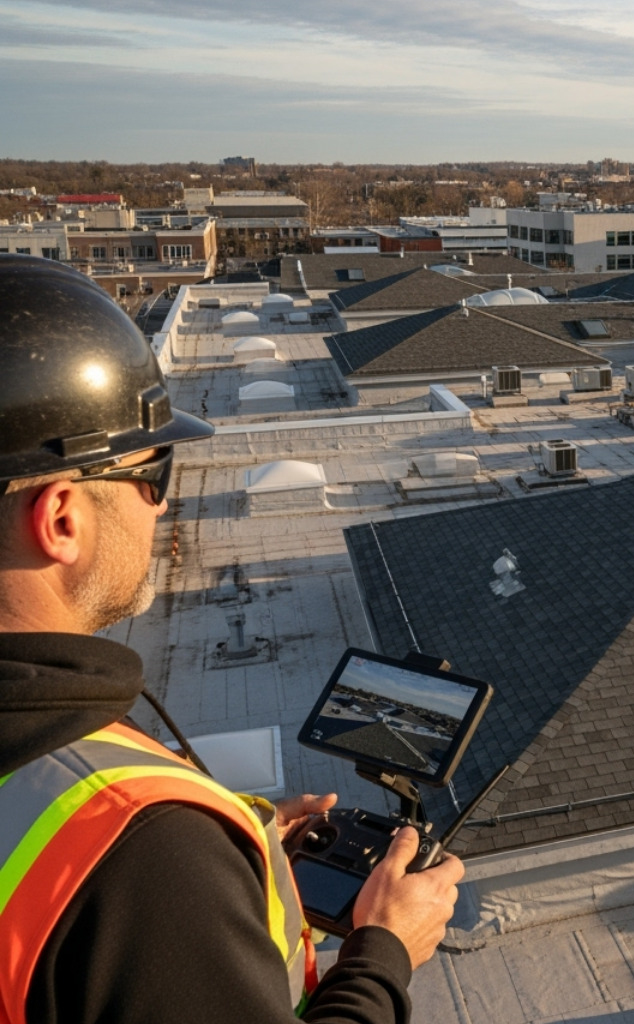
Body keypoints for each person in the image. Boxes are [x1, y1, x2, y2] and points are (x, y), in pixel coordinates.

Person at [0, 254, 464, 1024]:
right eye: (155, 476)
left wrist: (236, 854)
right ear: (60, 518)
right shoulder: (139, 849)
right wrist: (382, 951)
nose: (158, 512)